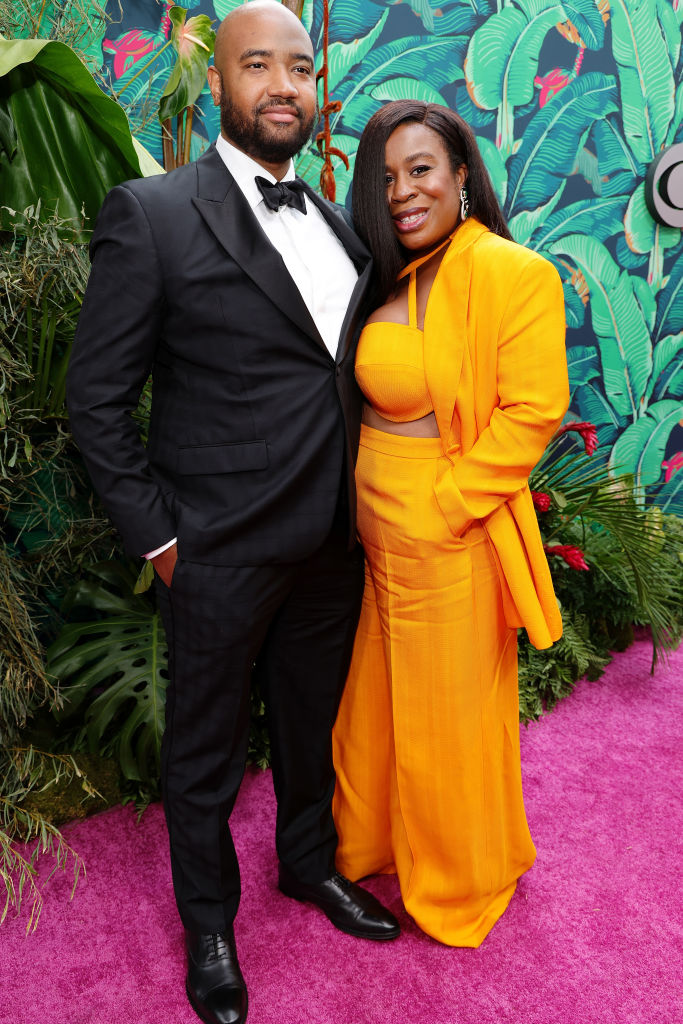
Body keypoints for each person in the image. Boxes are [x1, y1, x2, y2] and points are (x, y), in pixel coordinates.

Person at [66, 4, 399, 1023]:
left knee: (309, 731)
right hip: (212, 552)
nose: (283, 86)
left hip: (328, 548)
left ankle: (307, 866)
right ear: (218, 83)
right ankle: (207, 924)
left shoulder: (341, 222)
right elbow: (95, 402)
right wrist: (163, 542)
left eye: (299, 68)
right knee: (204, 753)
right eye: (259, 65)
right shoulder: (155, 212)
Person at [331, 100, 570, 948]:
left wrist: (446, 507)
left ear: (462, 172)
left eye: (421, 168)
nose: (403, 190)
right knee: (376, 705)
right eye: (387, 176)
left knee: (444, 719)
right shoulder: (386, 272)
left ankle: (457, 880)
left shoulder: (511, 272)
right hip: (373, 535)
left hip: (446, 533)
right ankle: (371, 843)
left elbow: (533, 410)